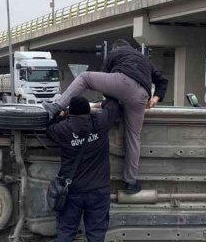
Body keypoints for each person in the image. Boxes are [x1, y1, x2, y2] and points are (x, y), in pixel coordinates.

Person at [43, 39, 168, 194]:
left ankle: (55, 107)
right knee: (133, 137)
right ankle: (131, 182)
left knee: (85, 77)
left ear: (114, 49)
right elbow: (162, 80)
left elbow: (105, 81)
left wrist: (108, 104)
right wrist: (155, 98)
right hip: (142, 95)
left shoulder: (115, 53)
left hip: (123, 82)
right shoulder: (143, 59)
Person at [46, 96, 122, 242]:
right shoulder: (100, 122)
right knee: (96, 236)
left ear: (70, 112)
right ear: (88, 111)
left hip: (72, 192)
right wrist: (101, 103)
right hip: (99, 191)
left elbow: (49, 122)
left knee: (65, 233)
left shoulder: (64, 129)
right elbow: (114, 105)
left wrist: (61, 114)